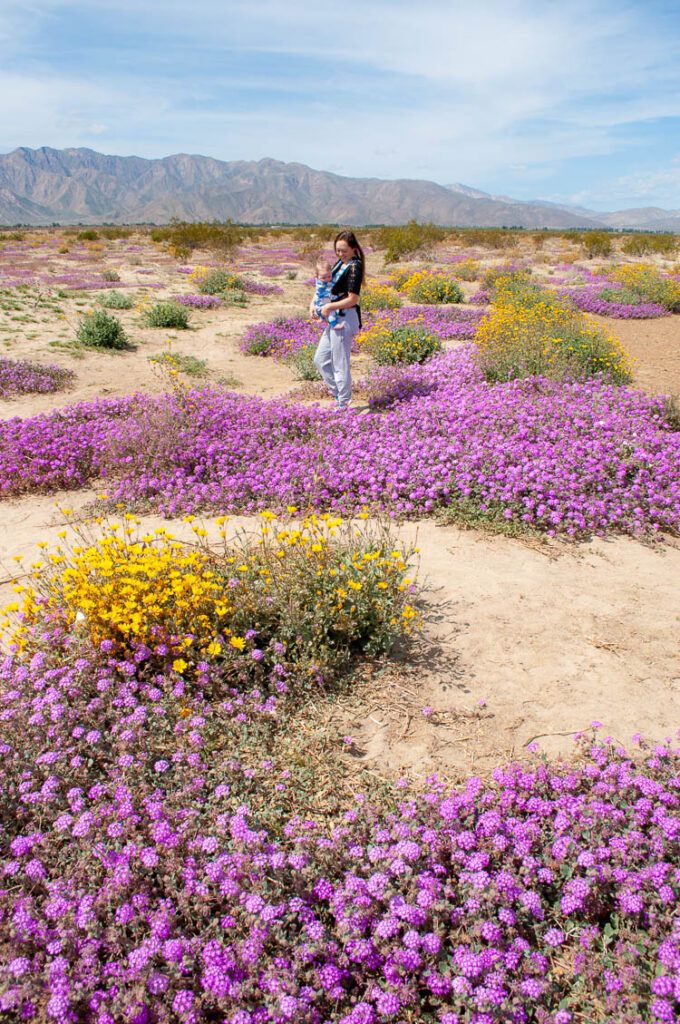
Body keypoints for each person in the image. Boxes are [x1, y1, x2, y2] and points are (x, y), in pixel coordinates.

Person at [312, 229, 365, 410]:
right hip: (334, 318)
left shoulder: (354, 267)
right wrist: (314, 303)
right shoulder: (340, 263)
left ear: (353, 248)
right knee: (320, 359)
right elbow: (324, 284)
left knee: (340, 362)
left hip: (345, 318)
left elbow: (353, 299)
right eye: (338, 250)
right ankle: (339, 394)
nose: (340, 254)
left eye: (344, 250)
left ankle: (344, 401)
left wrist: (329, 307)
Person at [309, 258, 342, 329]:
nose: (327, 279)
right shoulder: (322, 285)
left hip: (321, 302)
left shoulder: (320, 278)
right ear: (317, 277)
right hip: (322, 303)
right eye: (324, 278)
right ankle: (334, 324)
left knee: (329, 310)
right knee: (331, 311)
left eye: (329, 276)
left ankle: (322, 318)